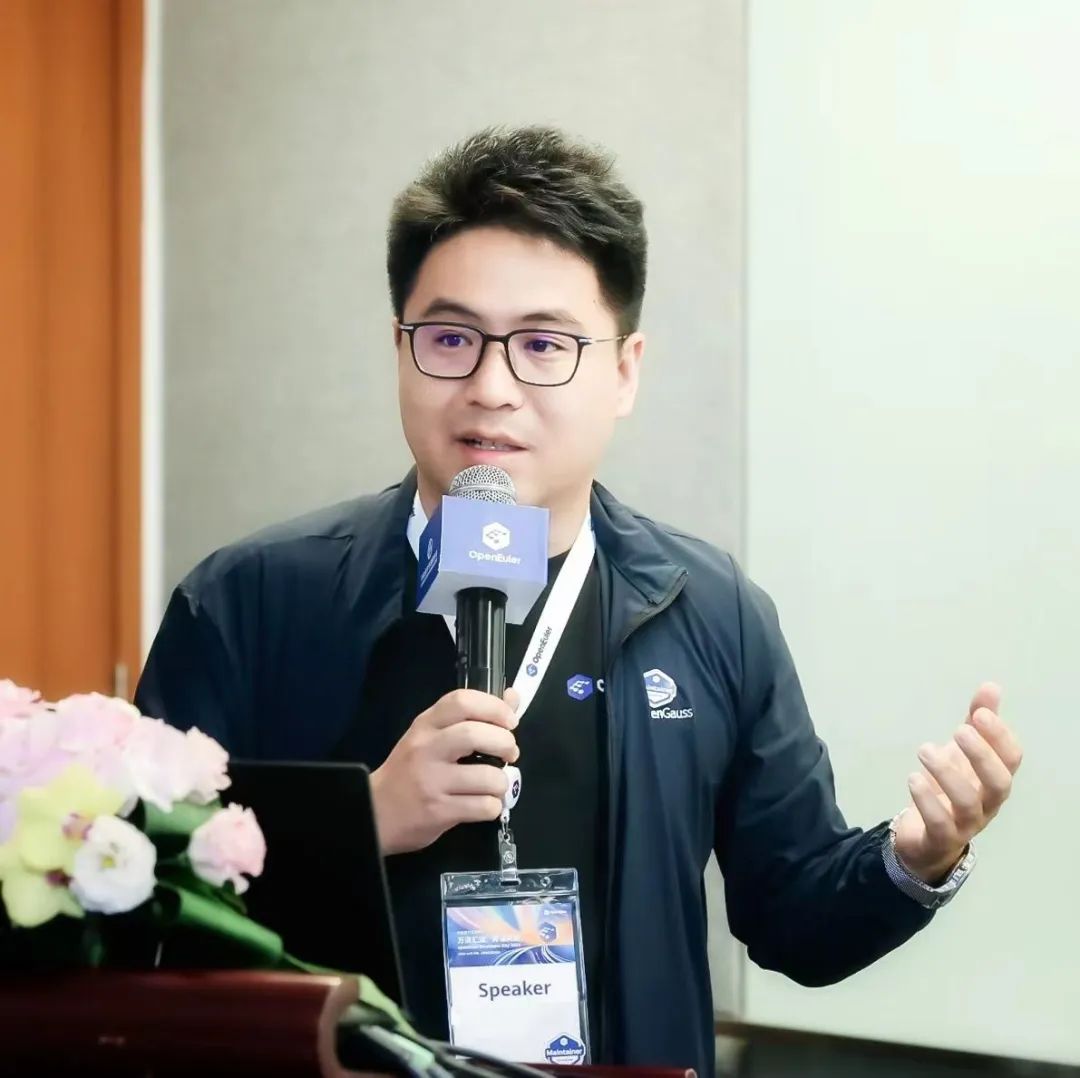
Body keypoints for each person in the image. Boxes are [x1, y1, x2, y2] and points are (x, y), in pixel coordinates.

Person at [135, 126, 1022, 1077]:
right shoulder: (249, 601)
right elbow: (137, 906)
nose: (491, 388)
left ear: (625, 370)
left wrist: (915, 858)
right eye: (450, 339)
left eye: (543, 345)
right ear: (400, 349)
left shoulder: (711, 612)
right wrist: (365, 824)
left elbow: (793, 918)